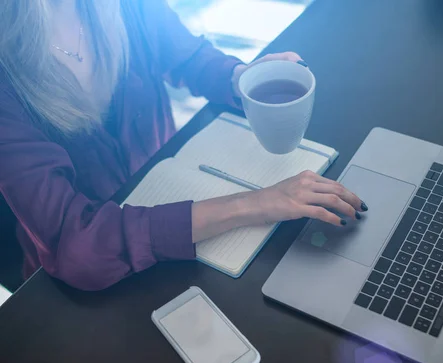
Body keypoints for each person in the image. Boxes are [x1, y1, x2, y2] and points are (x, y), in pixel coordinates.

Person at [0, 0, 367, 291]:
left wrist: (239, 78)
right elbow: (76, 245)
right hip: (92, 276)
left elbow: (187, 57)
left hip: (172, 193)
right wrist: (256, 203)